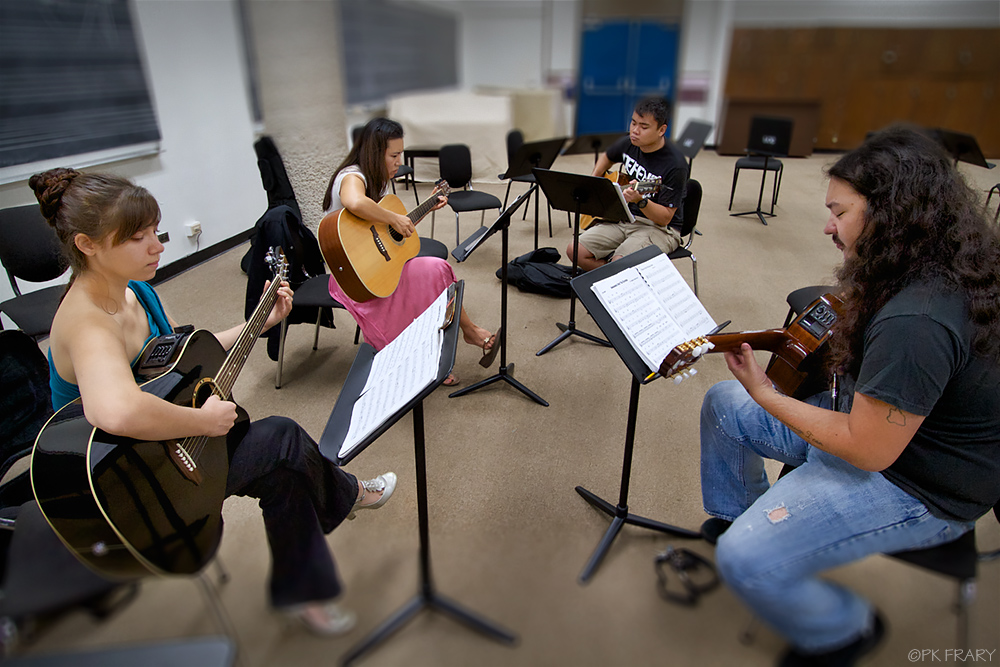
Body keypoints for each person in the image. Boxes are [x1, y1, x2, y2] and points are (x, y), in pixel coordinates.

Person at [31, 167, 397, 637]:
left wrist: (259, 324)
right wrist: (202, 422)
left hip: (161, 447)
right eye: (137, 238)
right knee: (282, 444)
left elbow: (180, 365)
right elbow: (115, 411)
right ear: (87, 245)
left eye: (154, 232)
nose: (157, 246)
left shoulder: (134, 291)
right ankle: (343, 498)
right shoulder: (86, 320)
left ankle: (313, 566)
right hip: (131, 483)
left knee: (282, 458)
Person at [698, 126, 1000, 666]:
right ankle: (735, 517)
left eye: (839, 212)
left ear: (891, 213)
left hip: (917, 485)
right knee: (723, 403)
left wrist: (766, 392)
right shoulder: (929, 262)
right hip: (881, 428)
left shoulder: (919, 318)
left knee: (746, 560)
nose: (826, 226)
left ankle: (845, 629)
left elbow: (867, 450)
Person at [322, 117, 499, 385]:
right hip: (353, 277)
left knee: (438, 269)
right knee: (394, 303)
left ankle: (470, 330)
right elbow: (355, 203)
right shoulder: (352, 176)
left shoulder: (378, 181)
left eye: (400, 154)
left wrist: (424, 208)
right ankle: (417, 362)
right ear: (374, 152)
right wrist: (394, 219)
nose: (398, 161)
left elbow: (384, 233)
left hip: (378, 265)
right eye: (393, 155)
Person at [567, 97, 687, 272]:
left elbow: (665, 217)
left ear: (662, 130)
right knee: (575, 250)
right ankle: (616, 277)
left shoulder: (675, 165)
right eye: (633, 123)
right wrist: (595, 179)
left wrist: (641, 201)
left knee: (619, 263)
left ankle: (617, 277)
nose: (635, 131)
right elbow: (607, 156)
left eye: (644, 127)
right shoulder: (629, 143)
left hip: (660, 229)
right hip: (625, 216)